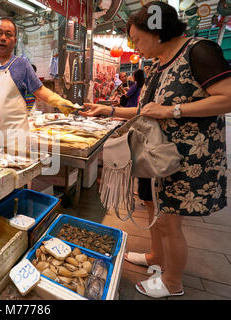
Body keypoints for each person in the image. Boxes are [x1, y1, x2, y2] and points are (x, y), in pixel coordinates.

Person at [80, 1, 231, 299]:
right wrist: (107, 110)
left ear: (157, 31)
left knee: (170, 221)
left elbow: (227, 97)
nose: (135, 46)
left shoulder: (199, 51)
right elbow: (144, 110)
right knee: (156, 211)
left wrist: (172, 111)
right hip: (159, 156)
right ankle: (155, 257)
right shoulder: (159, 64)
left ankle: (173, 283)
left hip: (188, 159)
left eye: (137, 39)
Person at [0, 18, 76, 137]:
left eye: (8, 35)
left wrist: (59, 101)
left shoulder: (22, 64)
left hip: (17, 136)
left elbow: (40, 91)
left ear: (14, 40)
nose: (3, 38)